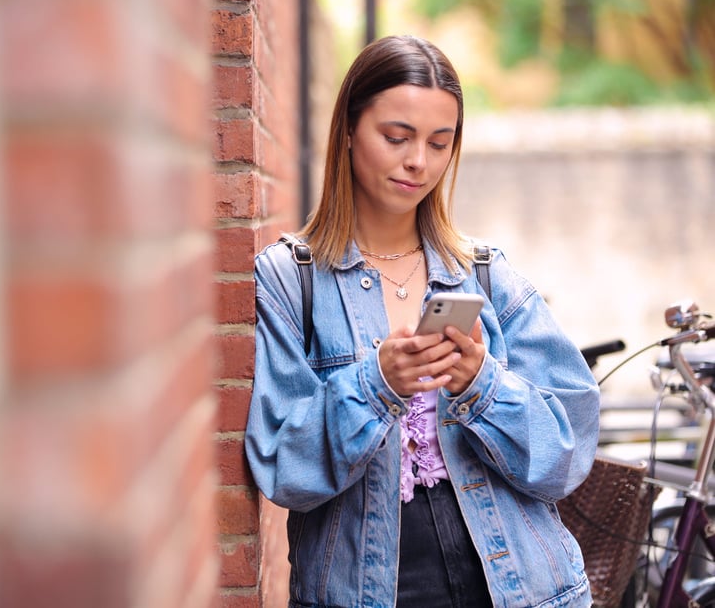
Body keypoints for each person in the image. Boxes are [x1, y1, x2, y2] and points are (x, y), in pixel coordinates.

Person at [245, 34, 600, 607]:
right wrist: (374, 384)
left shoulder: (483, 273)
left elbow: (567, 449)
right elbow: (284, 468)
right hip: (365, 590)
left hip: (521, 586)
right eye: (396, 137)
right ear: (348, 131)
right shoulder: (293, 280)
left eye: (440, 144)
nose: (419, 162)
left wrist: (482, 382)